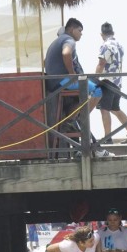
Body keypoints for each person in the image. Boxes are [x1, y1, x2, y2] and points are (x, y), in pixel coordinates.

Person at [44, 18, 109, 157]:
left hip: (53, 82)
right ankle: (79, 118)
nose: (81, 34)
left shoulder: (56, 42)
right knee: (98, 91)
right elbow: (66, 53)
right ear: (71, 29)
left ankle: (74, 118)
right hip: (63, 81)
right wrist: (73, 74)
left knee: (82, 98)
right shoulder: (69, 40)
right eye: (80, 31)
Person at [95, 22, 127, 144]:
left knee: (104, 109)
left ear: (101, 34)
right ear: (113, 33)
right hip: (118, 82)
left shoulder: (105, 45)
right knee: (115, 109)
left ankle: (107, 138)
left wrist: (94, 79)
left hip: (107, 81)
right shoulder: (120, 46)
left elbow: (101, 64)